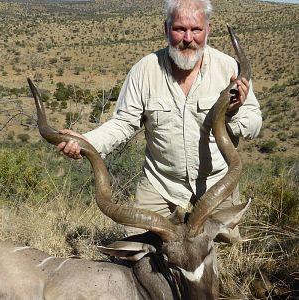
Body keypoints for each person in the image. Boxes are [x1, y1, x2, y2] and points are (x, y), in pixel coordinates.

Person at [57, 0, 262, 242]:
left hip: (216, 186)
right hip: (161, 184)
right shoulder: (144, 70)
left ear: (209, 29)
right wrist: (87, 141)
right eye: (179, 29)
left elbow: (254, 124)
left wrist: (233, 112)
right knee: (138, 257)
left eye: (196, 29)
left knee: (224, 260)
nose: (188, 38)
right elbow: (123, 123)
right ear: (165, 28)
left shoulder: (229, 68)